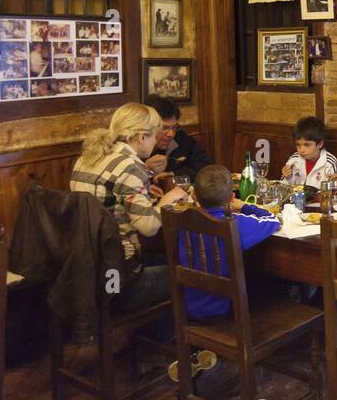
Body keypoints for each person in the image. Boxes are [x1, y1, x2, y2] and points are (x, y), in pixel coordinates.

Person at [70, 103, 190, 315]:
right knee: (191, 273)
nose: (155, 141)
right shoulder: (130, 167)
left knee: (170, 259)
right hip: (118, 279)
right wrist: (169, 199)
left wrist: (142, 190)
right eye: (153, 136)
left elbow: (106, 198)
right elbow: (149, 227)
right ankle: (170, 342)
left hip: (84, 270)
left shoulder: (85, 158)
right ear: (141, 137)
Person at [181, 165, 282, 320]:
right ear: (231, 197)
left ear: (194, 196)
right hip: (225, 310)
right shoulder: (235, 222)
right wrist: (243, 206)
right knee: (272, 285)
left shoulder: (181, 220)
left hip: (188, 304)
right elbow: (272, 219)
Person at [142, 96, 213, 185]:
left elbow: (205, 165)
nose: (171, 134)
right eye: (164, 127)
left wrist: (173, 175)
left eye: (174, 127)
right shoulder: (135, 145)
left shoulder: (179, 137)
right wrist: (145, 169)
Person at [281, 115, 337, 189]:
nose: (301, 150)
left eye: (307, 145)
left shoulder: (329, 163)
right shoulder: (294, 159)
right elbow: (283, 187)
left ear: (320, 144)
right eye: (298, 145)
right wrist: (287, 177)